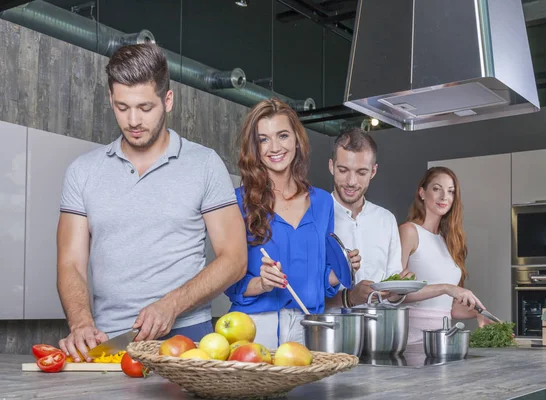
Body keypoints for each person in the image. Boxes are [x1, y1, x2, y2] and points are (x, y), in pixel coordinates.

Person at [56, 43, 247, 362]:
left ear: (168, 100)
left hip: (189, 340)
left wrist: (172, 304)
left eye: (145, 108)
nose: (132, 120)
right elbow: (70, 262)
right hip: (110, 341)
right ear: (111, 99)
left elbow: (235, 258)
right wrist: (81, 324)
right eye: (122, 107)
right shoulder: (83, 172)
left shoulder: (204, 164)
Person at [225, 98, 360, 350]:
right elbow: (227, 278)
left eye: (283, 135)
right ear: (254, 148)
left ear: (297, 140)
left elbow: (317, 280)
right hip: (254, 327)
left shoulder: (322, 202)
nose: (274, 147)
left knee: (313, 391)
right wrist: (261, 283)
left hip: (309, 326)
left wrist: (341, 270)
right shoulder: (237, 201)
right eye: (263, 139)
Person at [398, 166, 491, 344]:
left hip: (442, 340)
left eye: (451, 191)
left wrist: (481, 313)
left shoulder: (451, 241)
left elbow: (451, 307)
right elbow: (395, 294)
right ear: (422, 193)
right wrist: (447, 288)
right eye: (436, 189)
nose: (444, 197)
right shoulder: (409, 232)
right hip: (409, 340)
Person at [325, 128, 404, 308]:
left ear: (373, 171)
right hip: (328, 332)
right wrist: (350, 297)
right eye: (343, 170)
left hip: (378, 329)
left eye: (361, 172)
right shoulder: (315, 216)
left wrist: (398, 291)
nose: (351, 181)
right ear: (331, 166)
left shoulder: (386, 220)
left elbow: (392, 294)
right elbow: (305, 290)